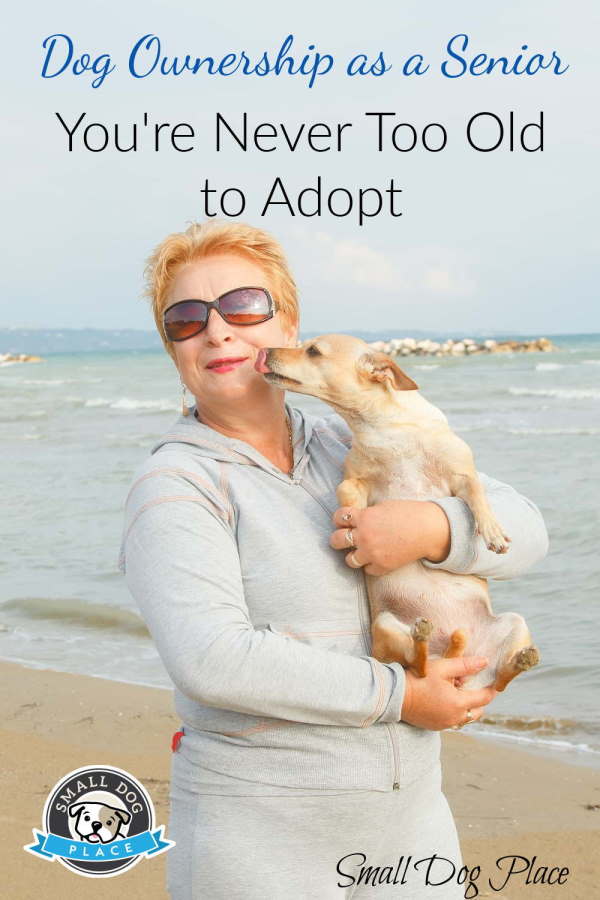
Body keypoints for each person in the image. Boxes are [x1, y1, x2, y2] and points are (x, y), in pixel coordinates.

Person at [119, 221, 548, 899]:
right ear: (173, 349)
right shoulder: (175, 487)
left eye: (244, 307)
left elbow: (526, 529)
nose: (218, 331)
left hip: (412, 840)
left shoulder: (358, 441)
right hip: (261, 849)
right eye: (185, 319)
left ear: (288, 325)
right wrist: (405, 696)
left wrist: (432, 527)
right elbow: (213, 659)